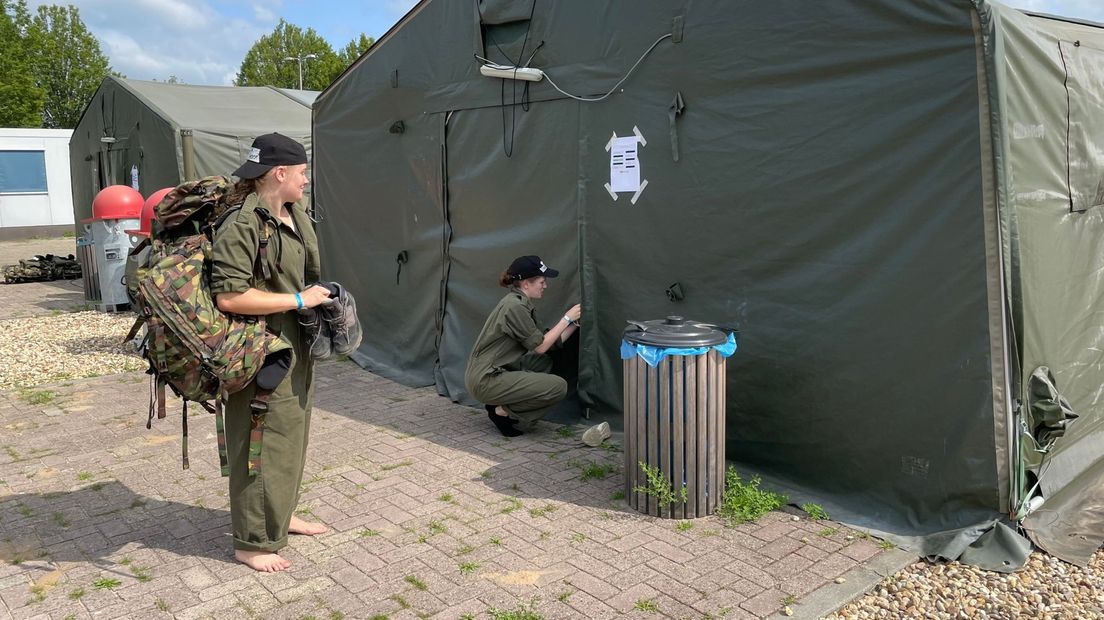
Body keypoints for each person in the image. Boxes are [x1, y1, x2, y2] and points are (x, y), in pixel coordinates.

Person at [210, 132, 332, 572]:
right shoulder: (243, 223)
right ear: (279, 173)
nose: (306, 181)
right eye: (302, 174)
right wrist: (299, 301)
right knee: (259, 440)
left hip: (293, 342)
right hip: (258, 347)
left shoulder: (292, 213)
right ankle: (252, 542)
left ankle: (279, 517)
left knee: (290, 435)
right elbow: (230, 296)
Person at [464, 255, 581, 436]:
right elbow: (540, 346)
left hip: (494, 372)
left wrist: (574, 323)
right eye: (542, 282)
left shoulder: (520, 303)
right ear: (526, 284)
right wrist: (566, 318)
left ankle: (501, 405)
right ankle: (501, 411)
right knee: (558, 387)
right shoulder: (514, 307)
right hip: (485, 379)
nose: (545, 286)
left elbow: (547, 341)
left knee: (543, 362)